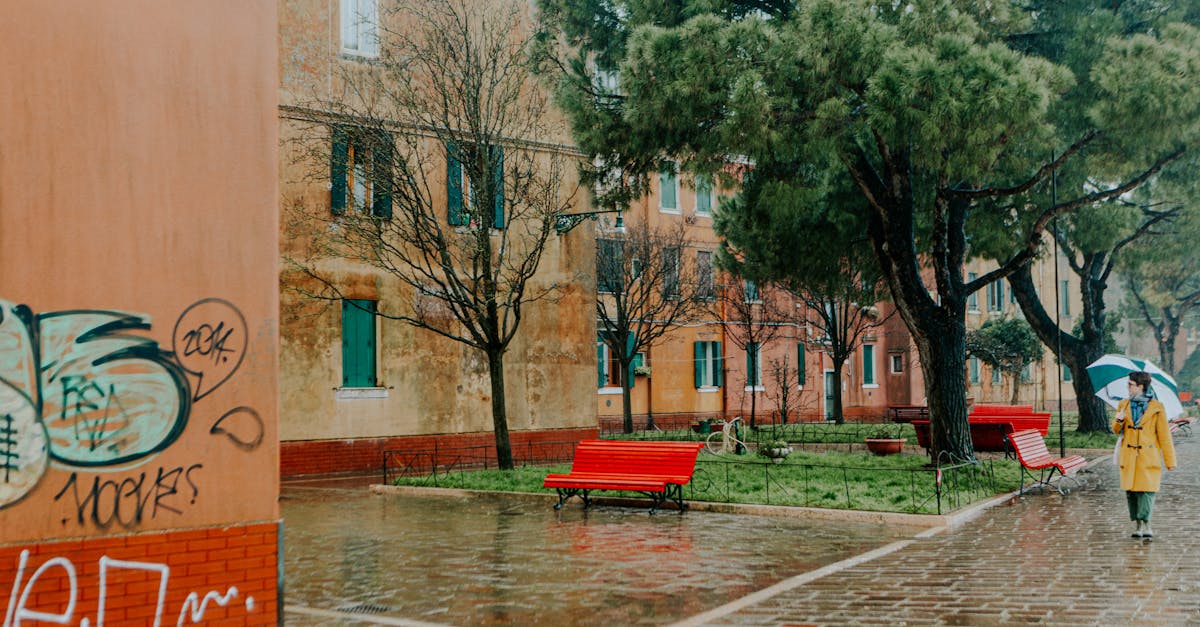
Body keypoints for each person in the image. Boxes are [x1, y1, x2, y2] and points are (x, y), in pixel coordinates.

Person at [1111, 371, 1177, 538]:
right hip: (1129, 454)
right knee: (1131, 491)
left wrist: (1170, 461)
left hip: (1148, 455)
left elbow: (1164, 436)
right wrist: (1118, 420)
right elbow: (1116, 430)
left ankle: (1146, 523)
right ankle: (1137, 524)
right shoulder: (1123, 405)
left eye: (1130, 384)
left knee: (1146, 491)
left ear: (1140, 386)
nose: (1128, 387)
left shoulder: (1156, 407)